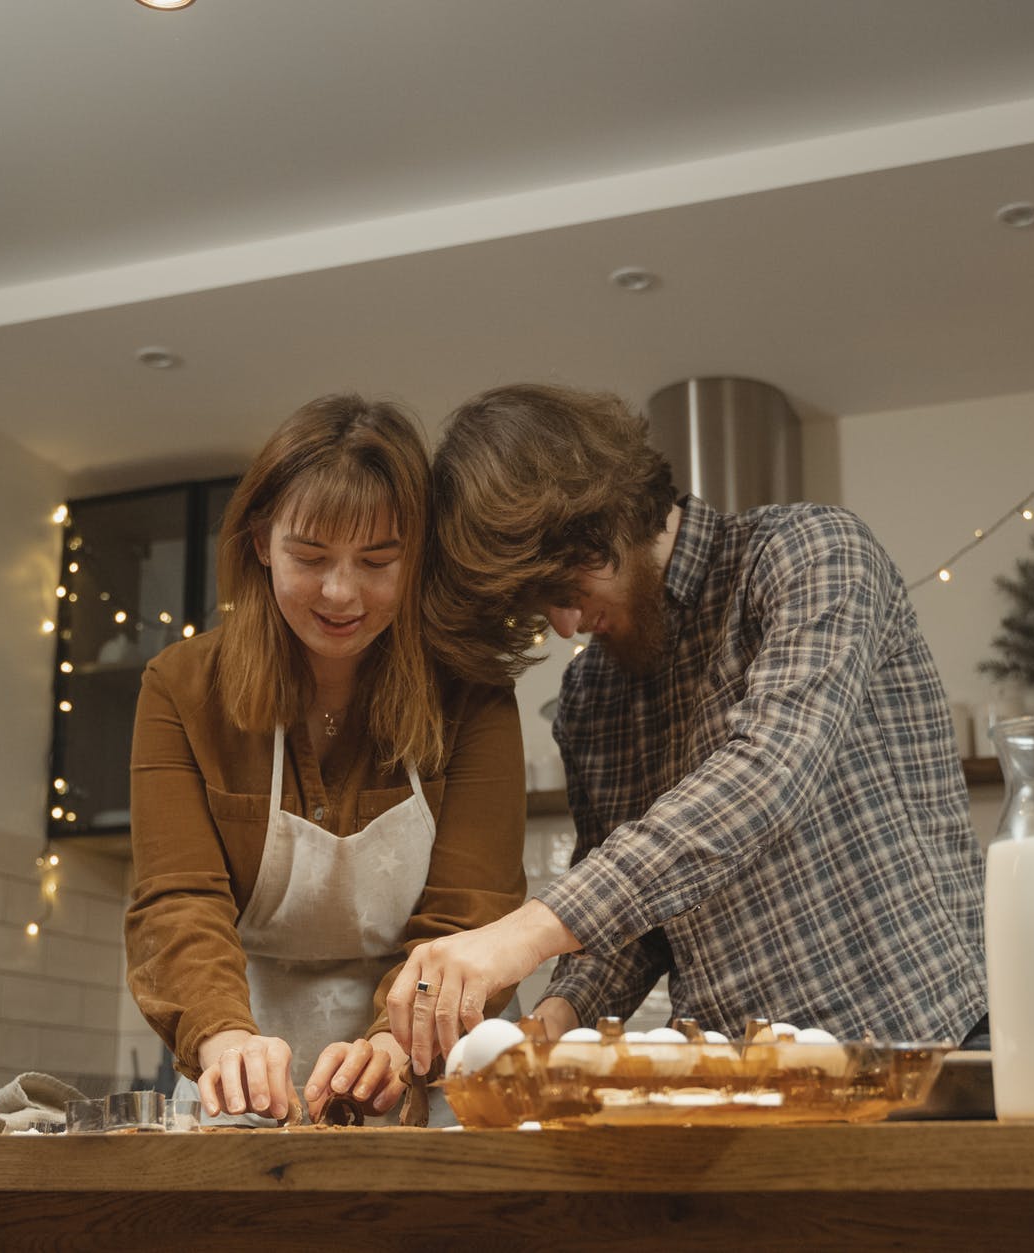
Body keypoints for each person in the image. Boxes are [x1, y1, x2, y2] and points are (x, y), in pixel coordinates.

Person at [388, 383, 987, 1075]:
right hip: (735, 1080)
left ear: (605, 517)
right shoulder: (592, 696)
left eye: (567, 592)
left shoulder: (812, 553)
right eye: (540, 607)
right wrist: (556, 1016)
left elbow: (765, 776)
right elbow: (634, 924)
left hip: (922, 1049)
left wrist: (522, 932)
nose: (565, 627)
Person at [125, 394, 527, 1123]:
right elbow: (178, 899)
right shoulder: (180, 689)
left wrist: (396, 1044)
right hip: (241, 1070)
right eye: (310, 556)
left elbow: (471, 911)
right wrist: (224, 1038)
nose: (342, 591)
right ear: (259, 541)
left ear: (419, 557)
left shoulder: (471, 694)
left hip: (432, 1066)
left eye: (378, 560)